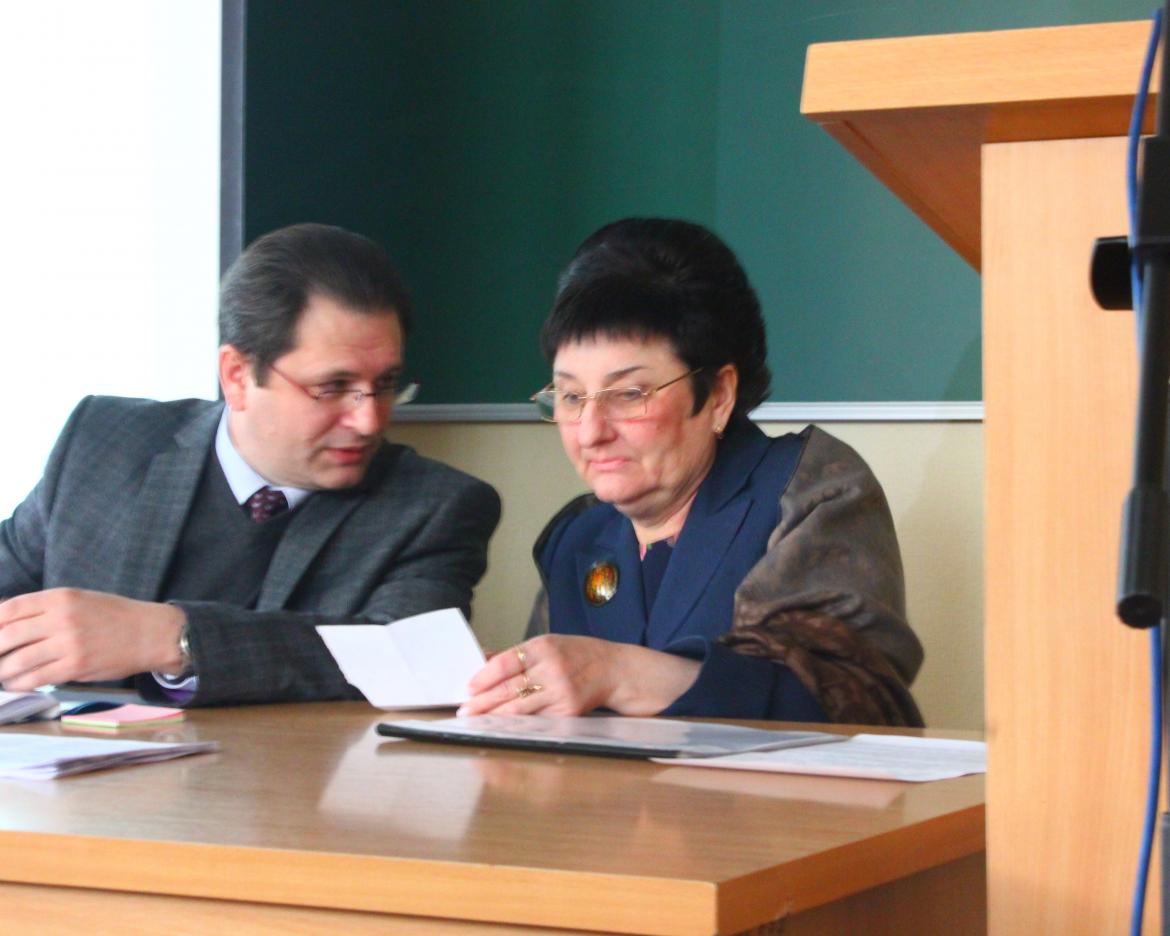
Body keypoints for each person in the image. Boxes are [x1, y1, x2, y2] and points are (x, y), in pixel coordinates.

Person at [0, 223, 501, 706]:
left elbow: (409, 660)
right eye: (332, 387)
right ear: (237, 376)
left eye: (386, 384)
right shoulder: (105, 443)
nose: (369, 420)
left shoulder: (435, 507)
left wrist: (173, 638)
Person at [462, 217, 922, 725]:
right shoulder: (578, 535)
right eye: (571, 397)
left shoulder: (807, 491)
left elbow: (863, 703)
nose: (590, 432)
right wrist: (508, 690)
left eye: (628, 394)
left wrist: (619, 672)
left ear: (719, 395)